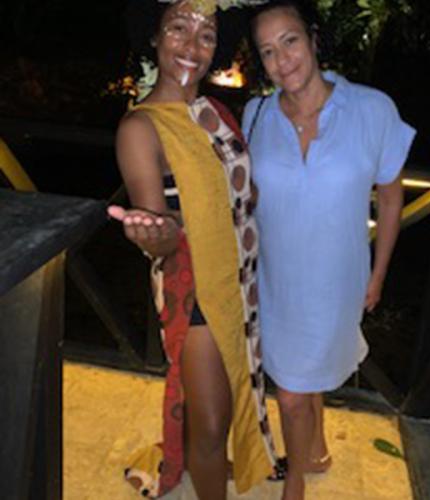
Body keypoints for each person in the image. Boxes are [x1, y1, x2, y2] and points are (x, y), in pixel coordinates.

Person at [242, 1, 416, 499]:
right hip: (275, 280)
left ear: (314, 39)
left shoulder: (372, 109)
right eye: (268, 51)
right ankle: (311, 454)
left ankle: (295, 480)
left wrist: (378, 273)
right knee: (295, 382)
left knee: (294, 390)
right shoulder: (256, 114)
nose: (282, 60)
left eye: (290, 41)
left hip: (337, 281)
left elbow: (390, 196)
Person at [107, 1, 282, 498]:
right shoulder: (140, 128)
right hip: (196, 292)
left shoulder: (215, 112)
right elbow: (161, 231)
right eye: (178, 29)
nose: (192, 46)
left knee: (231, 396)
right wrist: (152, 234)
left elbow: (242, 195)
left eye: (206, 36)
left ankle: (214, 464)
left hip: (239, 281)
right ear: (154, 35)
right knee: (209, 425)